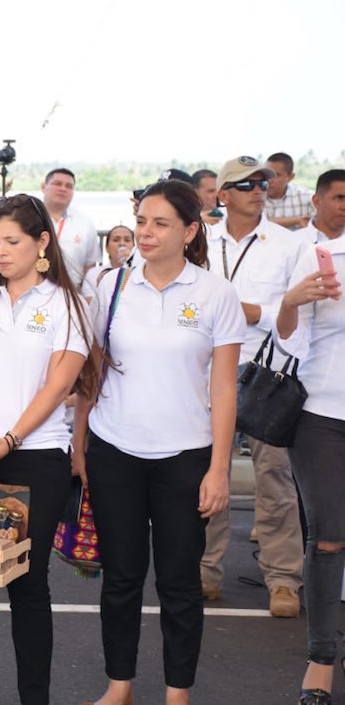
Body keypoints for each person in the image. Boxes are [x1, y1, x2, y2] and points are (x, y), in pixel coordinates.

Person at [74, 180, 245, 705]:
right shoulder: (111, 286)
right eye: (141, 221)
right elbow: (91, 371)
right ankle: (119, 687)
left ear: (190, 230)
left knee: (179, 584)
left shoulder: (215, 294)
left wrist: (219, 468)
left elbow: (223, 386)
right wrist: (79, 445)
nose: (145, 233)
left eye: (160, 223)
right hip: (114, 449)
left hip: (186, 458)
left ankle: (177, 694)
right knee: (121, 580)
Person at [0, 193, 95, 705]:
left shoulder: (66, 305)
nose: (2, 252)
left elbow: (57, 388)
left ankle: (35, 696)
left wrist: (8, 439)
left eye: (13, 241)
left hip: (36, 456)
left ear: (42, 243)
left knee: (26, 582)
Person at [200, 155, 304, 618]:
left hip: (268, 375)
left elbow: (300, 305)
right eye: (244, 184)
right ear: (223, 194)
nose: (257, 189)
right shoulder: (198, 239)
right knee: (206, 476)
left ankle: (284, 580)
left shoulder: (288, 244)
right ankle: (204, 570)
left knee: (276, 479)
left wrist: (254, 312)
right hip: (204, 373)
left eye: (262, 181)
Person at [275, 169, 345, 705]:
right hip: (321, 412)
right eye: (340, 197)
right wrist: (293, 299)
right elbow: (285, 337)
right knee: (328, 536)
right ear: (318, 200)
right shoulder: (312, 253)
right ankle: (321, 660)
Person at [40, 167, 100, 288]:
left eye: (69, 186)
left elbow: (90, 266)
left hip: (72, 291)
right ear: (43, 187)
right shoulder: (30, 217)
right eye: (57, 184)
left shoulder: (85, 223)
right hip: (33, 292)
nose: (63, 189)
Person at [264, 152, 314, 230]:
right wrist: (297, 220)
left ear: (290, 177)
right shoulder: (255, 195)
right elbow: (255, 224)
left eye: (276, 175)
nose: (270, 180)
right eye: (267, 174)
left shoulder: (307, 197)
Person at [82, 225, 134, 300]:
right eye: (116, 240)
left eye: (127, 240)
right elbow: (91, 304)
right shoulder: (94, 274)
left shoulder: (140, 274)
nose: (122, 243)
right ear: (107, 248)